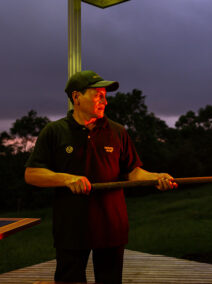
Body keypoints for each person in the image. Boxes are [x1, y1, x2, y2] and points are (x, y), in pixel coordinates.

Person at [24, 70, 177, 284]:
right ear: (76, 97)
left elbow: (133, 171)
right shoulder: (54, 131)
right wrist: (67, 179)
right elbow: (32, 174)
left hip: (111, 227)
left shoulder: (117, 131)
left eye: (105, 95)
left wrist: (155, 177)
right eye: (98, 95)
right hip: (71, 228)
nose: (104, 101)